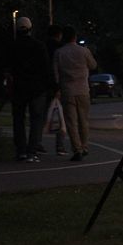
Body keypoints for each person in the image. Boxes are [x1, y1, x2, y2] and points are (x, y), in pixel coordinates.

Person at [10, 17, 51, 162]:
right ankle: (32, 151)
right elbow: (46, 68)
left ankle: (20, 150)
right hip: (37, 88)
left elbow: (7, 67)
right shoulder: (38, 46)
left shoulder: (12, 47)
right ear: (30, 28)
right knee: (36, 120)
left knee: (18, 119)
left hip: (19, 88)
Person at [54, 25, 97, 161]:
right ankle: (84, 147)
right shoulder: (84, 51)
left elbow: (55, 74)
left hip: (67, 90)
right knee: (83, 120)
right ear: (75, 37)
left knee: (71, 122)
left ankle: (76, 149)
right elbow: (93, 65)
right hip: (83, 90)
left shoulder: (59, 53)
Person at [45, 24, 68, 156]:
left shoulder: (43, 46)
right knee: (60, 116)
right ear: (59, 35)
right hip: (58, 86)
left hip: (44, 86)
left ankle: (37, 144)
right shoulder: (60, 49)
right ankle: (60, 146)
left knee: (42, 115)